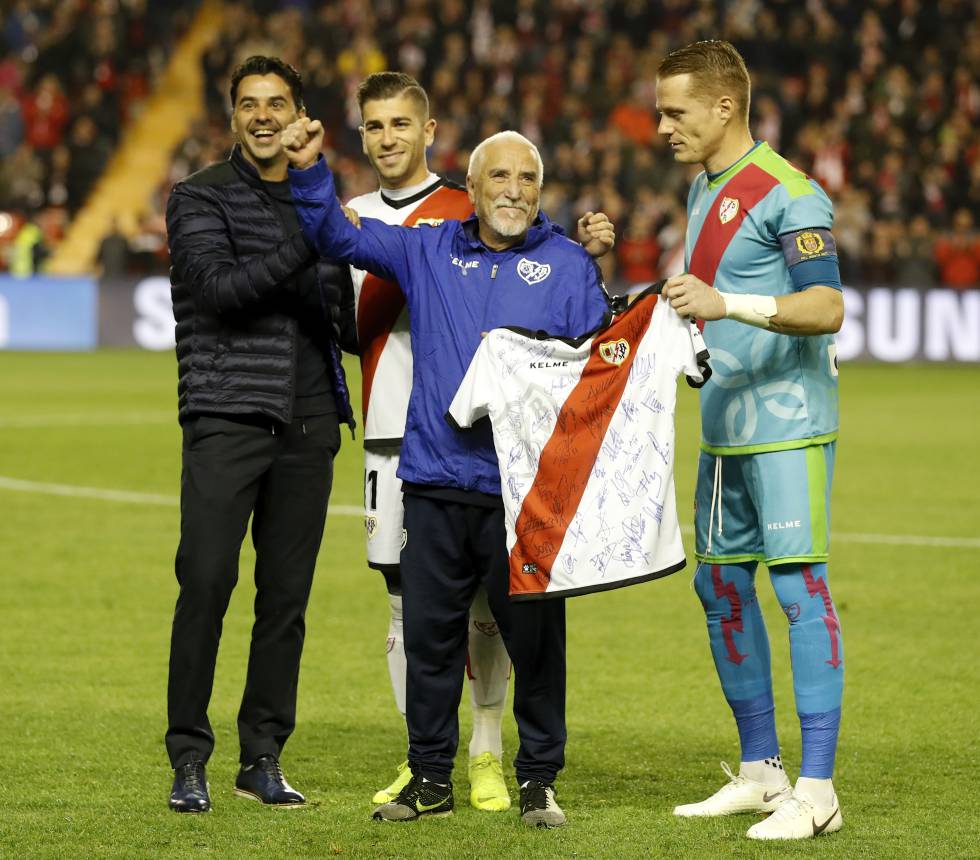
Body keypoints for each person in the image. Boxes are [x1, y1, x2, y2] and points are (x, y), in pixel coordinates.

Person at [284, 119, 614, 827]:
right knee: (431, 642)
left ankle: (538, 781)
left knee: (538, 648)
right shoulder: (427, 248)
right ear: (471, 186)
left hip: (524, 497)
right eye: (500, 175)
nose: (514, 189)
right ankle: (430, 778)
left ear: (542, 191)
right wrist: (311, 171)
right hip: (435, 484)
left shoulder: (566, 265)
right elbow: (336, 237)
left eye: (527, 178)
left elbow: (597, 371)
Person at [656, 40, 846, 841]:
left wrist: (727, 305)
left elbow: (827, 308)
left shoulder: (789, 192)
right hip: (724, 427)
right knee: (721, 588)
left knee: (799, 590)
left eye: (676, 112)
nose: (663, 127)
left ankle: (819, 790)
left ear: (724, 105)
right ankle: (763, 772)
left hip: (787, 426)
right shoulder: (705, 185)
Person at [164, 55, 356, 813]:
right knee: (206, 581)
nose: (264, 115)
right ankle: (188, 756)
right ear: (233, 117)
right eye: (250, 103)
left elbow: (341, 319)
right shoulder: (199, 195)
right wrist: (316, 233)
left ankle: (262, 757)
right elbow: (220, 291)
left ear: (300, 115)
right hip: (227, 414)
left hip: (310, 424)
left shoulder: (321, 200)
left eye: (278, 102)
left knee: (285, 600)